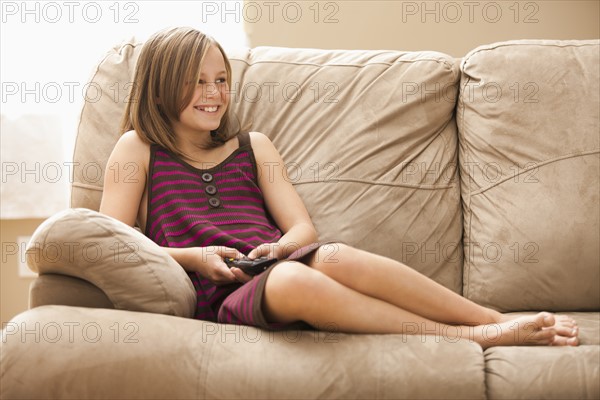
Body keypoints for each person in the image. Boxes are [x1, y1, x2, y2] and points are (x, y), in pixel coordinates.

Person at [99, 27, 579, 349]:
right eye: (196, 82)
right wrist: (195, 256)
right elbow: (114, 246)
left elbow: (302, 227)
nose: (214, 93)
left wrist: (284, 244)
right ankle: (466, 337)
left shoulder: (254, 145)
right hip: (216, 291)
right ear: (161, 88)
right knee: (289, 280)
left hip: (275, 261)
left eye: (221, 79)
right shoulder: (138, 148)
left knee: (332, 255)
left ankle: (489, 317)